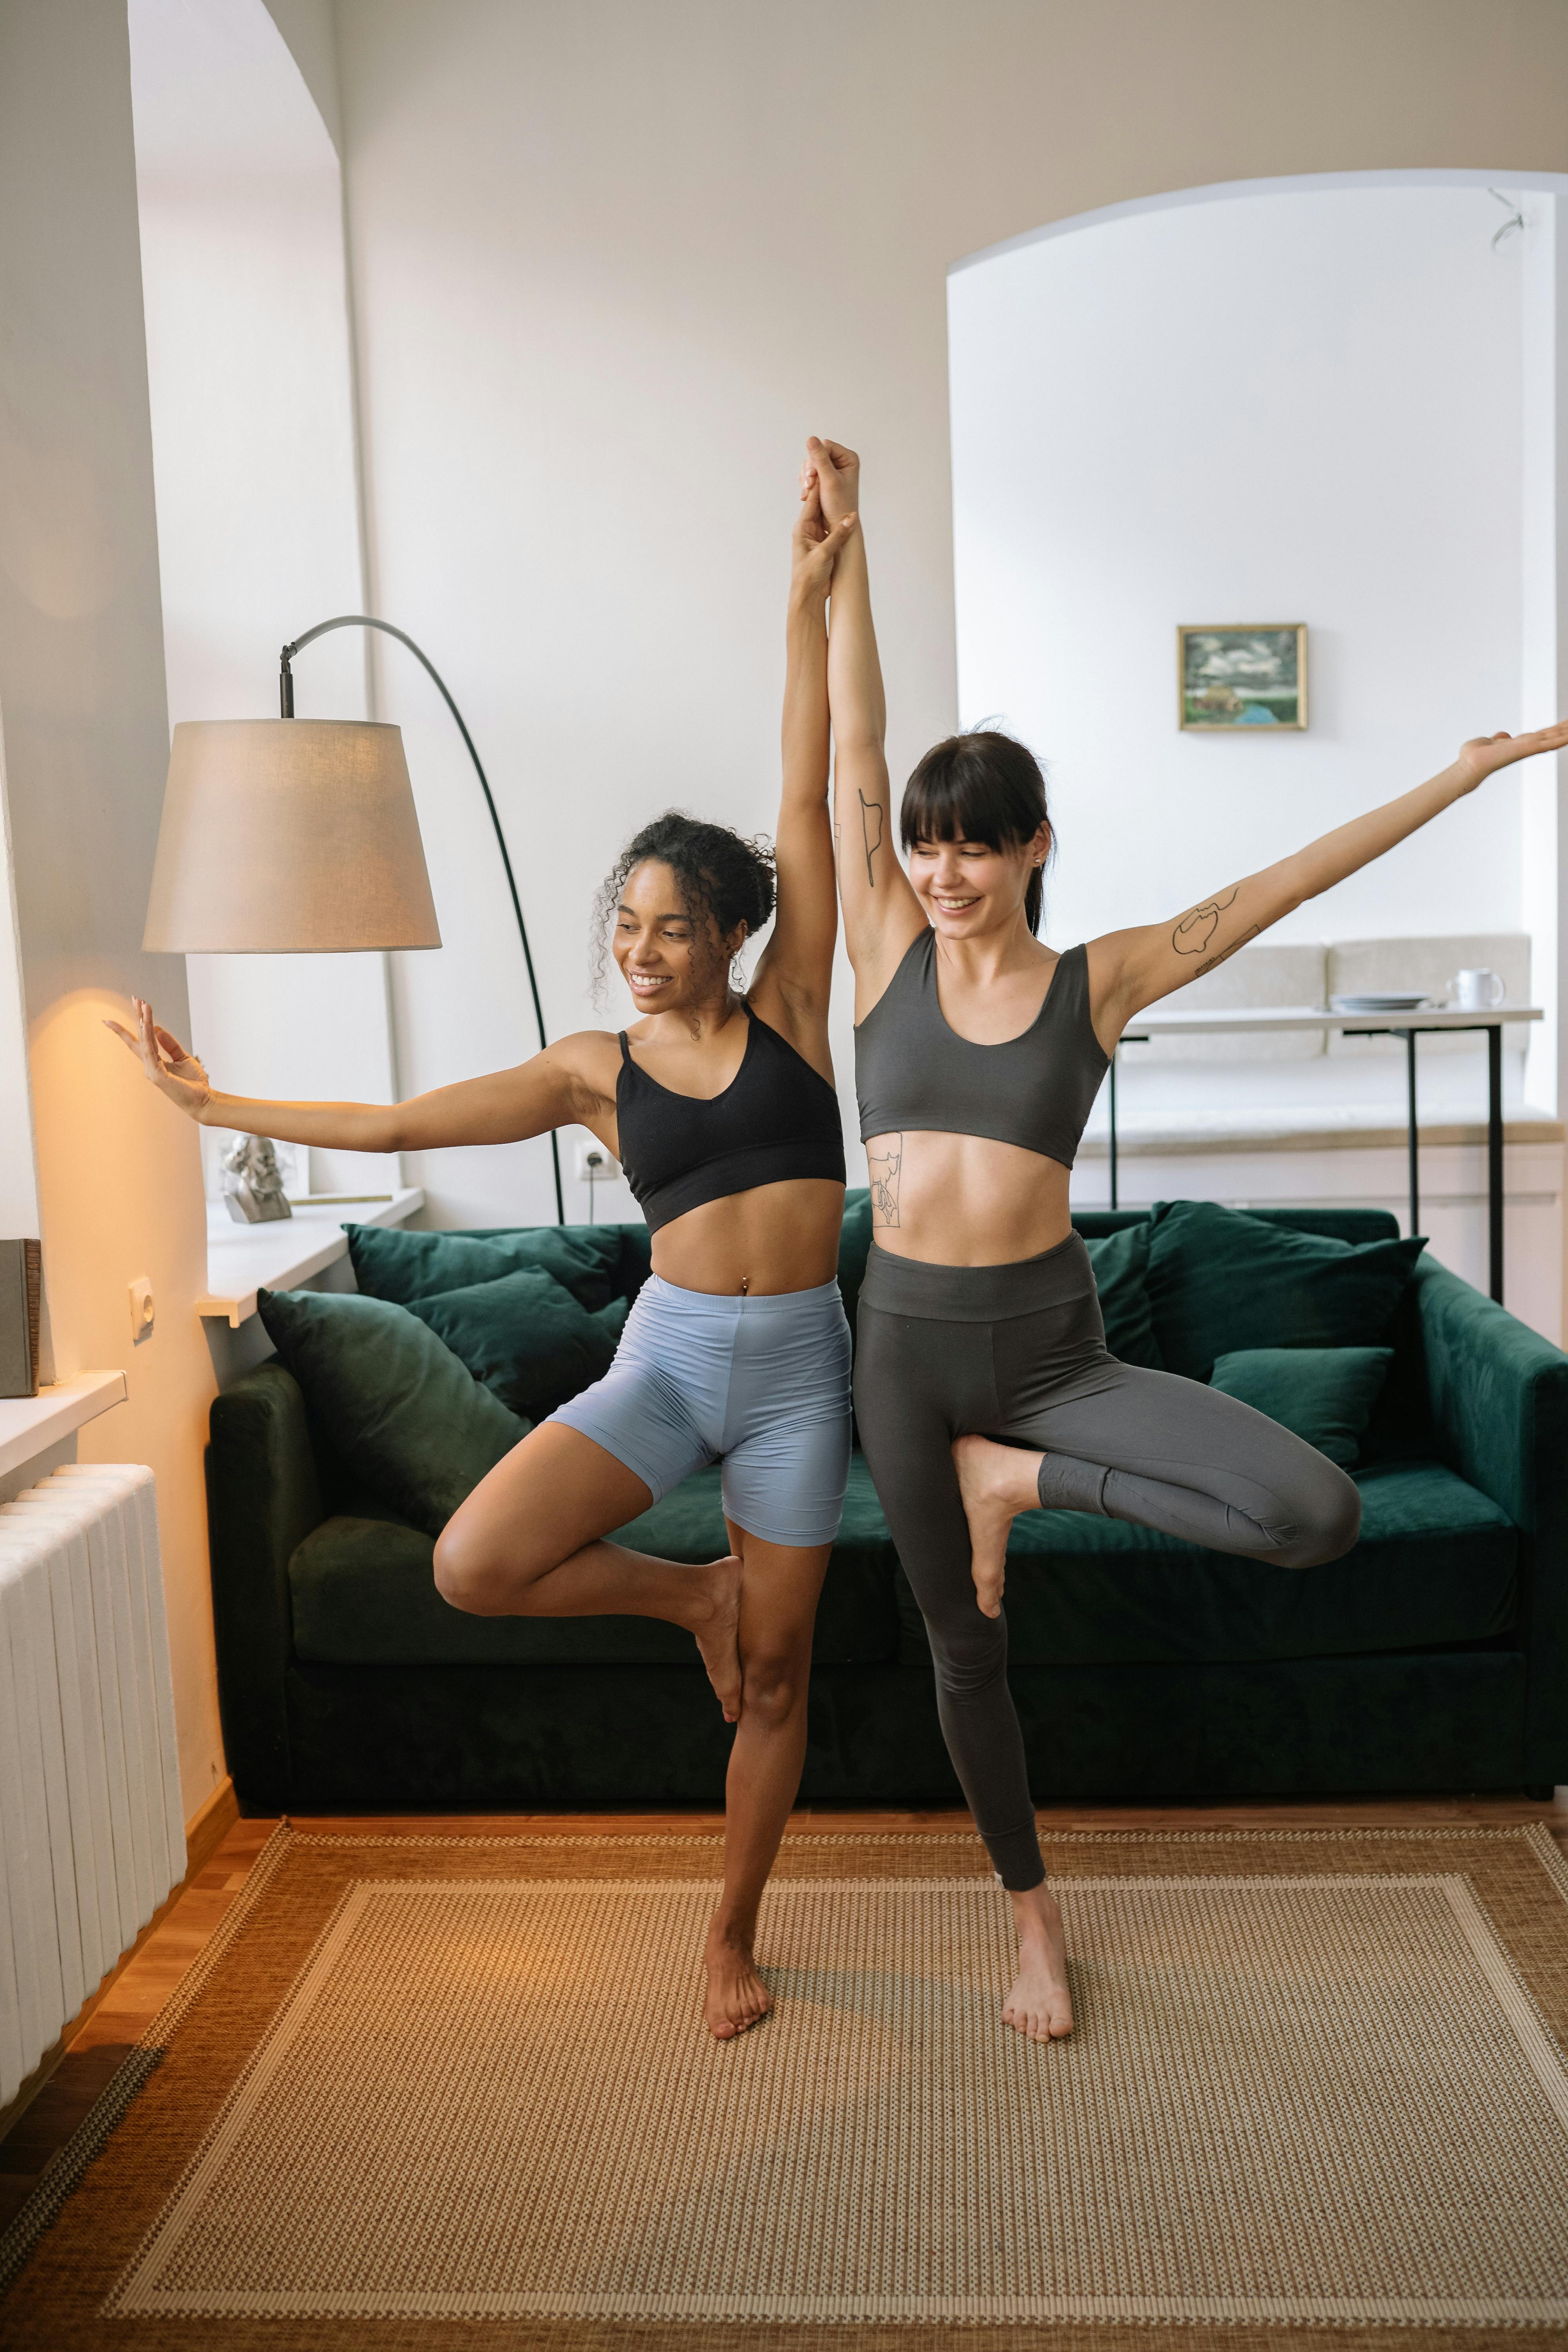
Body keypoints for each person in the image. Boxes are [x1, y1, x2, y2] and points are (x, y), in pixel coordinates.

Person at [808, 431, 1568, 2045]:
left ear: (1032, 850)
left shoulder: (1101, 978)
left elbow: (1275, 886)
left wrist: (1457, 776)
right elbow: (850, 753)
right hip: (903, 1356)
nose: (940, 869)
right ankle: (1031, 1928)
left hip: (1050, 1354)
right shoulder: (881, 939)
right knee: (965, 1656)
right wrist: (846, 550)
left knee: (1316, 1513)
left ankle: (1023, 1482)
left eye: (976, 842)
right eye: (927, 843)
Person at [110, 478, 861, 2039]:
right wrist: (209, 1098)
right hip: (666, 1358)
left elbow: (805, 802)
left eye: (669, 926)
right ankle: (691, 1602)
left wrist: (809, 596)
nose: (639, 950)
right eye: (626, 924)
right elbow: (395, 1122)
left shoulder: (794, 1013)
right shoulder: (596, 1067)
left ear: (731, 934)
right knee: (475, 1563)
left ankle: (730, 1936)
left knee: (783, 1683)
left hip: (798, 1372)